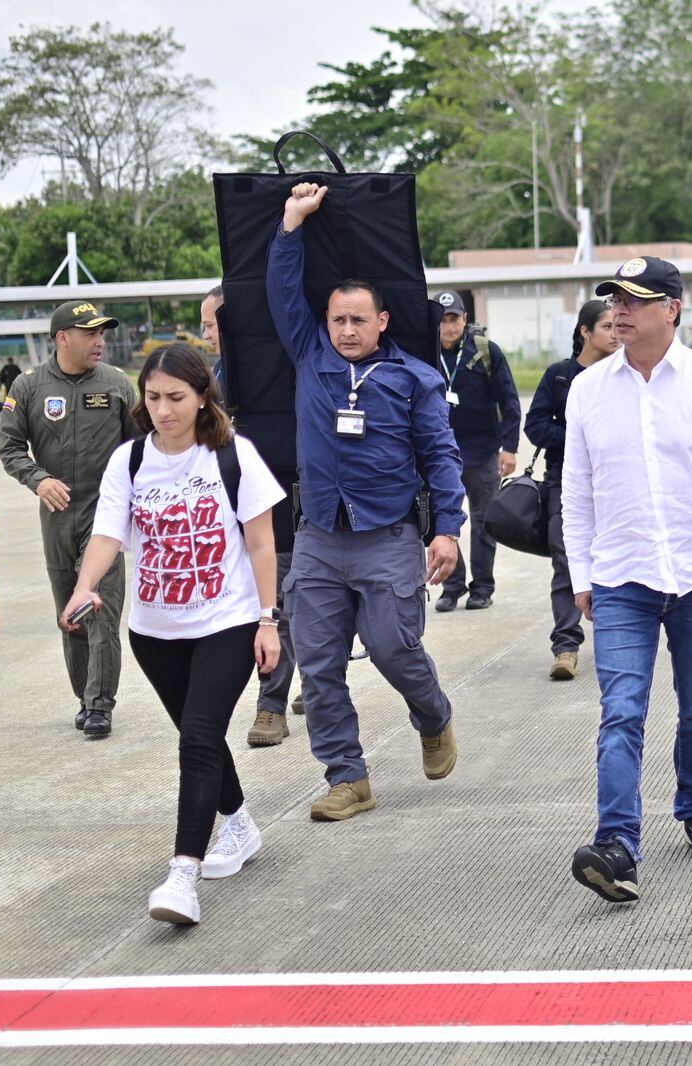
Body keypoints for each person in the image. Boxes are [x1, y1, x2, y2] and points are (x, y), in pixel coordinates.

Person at [61, 345, 284, 924]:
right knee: (199, 737)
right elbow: (108, 535)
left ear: (202, 396)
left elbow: (262, 544)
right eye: (153, 398)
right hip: (155, 631)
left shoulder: (234, 455)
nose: (163, 410)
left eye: (176, 398)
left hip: (227, 621)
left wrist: (268, 618)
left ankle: (182, 875)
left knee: (199, 736)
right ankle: (238, 826)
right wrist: (86, 587)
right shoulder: (129, 461)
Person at [269, 182, 466, 822]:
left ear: (382, 321)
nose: (347, 330)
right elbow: (281, 290)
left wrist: (449, 530)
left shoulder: (415, 378)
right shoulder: (309, 359)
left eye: (359, 319)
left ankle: (433, 714)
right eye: (338, 319)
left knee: (393, 647)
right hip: (321, 537)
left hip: (388, 537)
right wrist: (292, 224)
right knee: (320, 667)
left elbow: (441, 457)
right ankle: (347, 777)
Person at [563, 256, 692, 903]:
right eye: (615, 299)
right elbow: (576, 495)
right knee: (620, 711)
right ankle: (617, 845)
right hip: (621, 579)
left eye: (636, 300)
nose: (621, 310)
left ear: (673, 308)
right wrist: (581, 574)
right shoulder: (588, 391)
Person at [0, 301, 137, 738]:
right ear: (63, 338)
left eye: (102, 333)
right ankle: (84, 696)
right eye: (90, 333)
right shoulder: (27, 387)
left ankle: (100, 704)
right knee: (70, 614)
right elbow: (10, 448)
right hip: (57, 518)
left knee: (101, 611)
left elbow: (140, 449)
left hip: (104, 516)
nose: (101, 341)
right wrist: (37, 479)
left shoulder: (117, 385)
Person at [198, 284, 303, 743]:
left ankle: (273, 705)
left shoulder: (276, 367)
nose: (207, 335)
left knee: (285, 604)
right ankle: (302, 689)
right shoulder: (214, 377)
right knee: (271, 605)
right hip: (235, 508)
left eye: (211, 324)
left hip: (285, 501)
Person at [524, 300, 616, 680]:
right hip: (564, 481)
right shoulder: (560, 376)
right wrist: (579, 439)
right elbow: (535, 427)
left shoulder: (622, 375)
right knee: (567, 562)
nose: (615, 332)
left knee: (614, 563)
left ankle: (615, 640)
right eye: (607, 326)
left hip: (614, 485)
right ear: (585, 332)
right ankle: (566, 646)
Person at [433, 291, 520, 613]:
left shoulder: (485, 351)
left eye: (454, 318)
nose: (448, 326)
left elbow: (509, 401)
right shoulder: (425, 354)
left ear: (464, 319)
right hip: (440, 455)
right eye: (442, 320)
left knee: (484, 521)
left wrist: (509, 448)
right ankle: (451, 587)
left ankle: (482, 587)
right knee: (443, 522)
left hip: (482, 451)